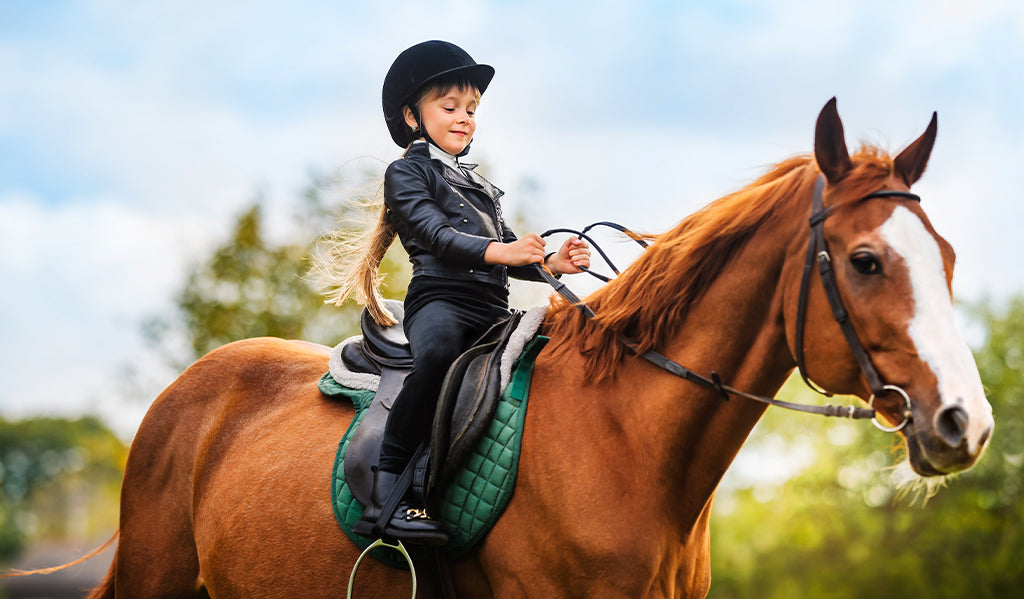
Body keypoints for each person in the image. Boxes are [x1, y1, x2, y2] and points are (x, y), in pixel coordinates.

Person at [322, 40, 590, 546]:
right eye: (450, 107)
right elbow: (437, 238)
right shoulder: (407, 172)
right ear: (411, 115)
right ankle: (386, 489)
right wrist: (504, 252)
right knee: (440, 354)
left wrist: (552, 261)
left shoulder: (479, 186)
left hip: (492, 308)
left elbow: (508, 250)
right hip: (440, 302)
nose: (465, 118)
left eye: (471, 109)